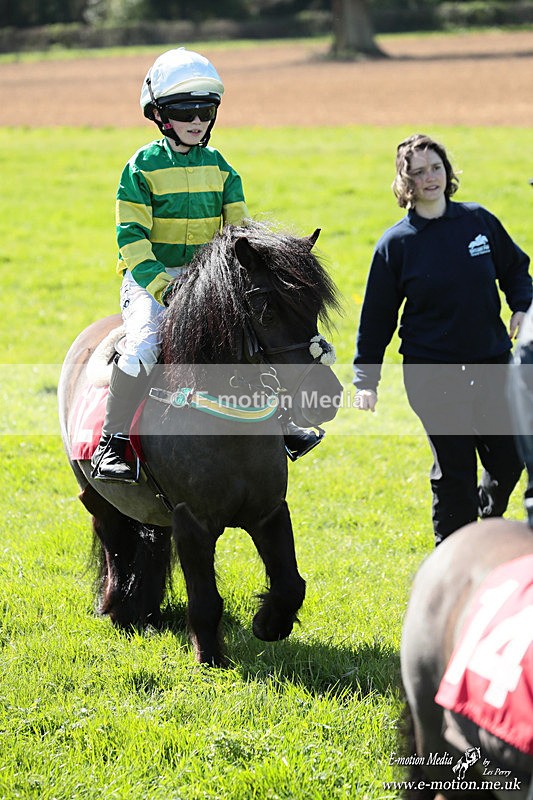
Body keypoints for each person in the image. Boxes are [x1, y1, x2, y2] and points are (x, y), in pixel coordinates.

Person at [92, 47, 320, 482]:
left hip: (211, 284)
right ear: (160, 115)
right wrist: (163, 287)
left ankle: (284, 423)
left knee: (259, 333)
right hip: (151, 282)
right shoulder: (139, 168)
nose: (196, 120)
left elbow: (239, 235)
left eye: (205, 111)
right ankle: (113, 442)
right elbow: (132, 240)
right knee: (143, 347)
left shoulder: (223, 169)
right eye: (184, 111)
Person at [353, 133, 532, 545]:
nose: (429, 177)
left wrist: (522, 303)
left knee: (509, 459)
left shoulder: (478, 221)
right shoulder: (396, 245)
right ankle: (451, 559)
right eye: (418, 172)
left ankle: (487, 514)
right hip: (432, 373)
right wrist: (367, 381)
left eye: (436, 167)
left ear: (447, 171)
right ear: (405, 183)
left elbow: (516, 269)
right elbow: (377, 318)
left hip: (492, 362)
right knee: (455, 472)